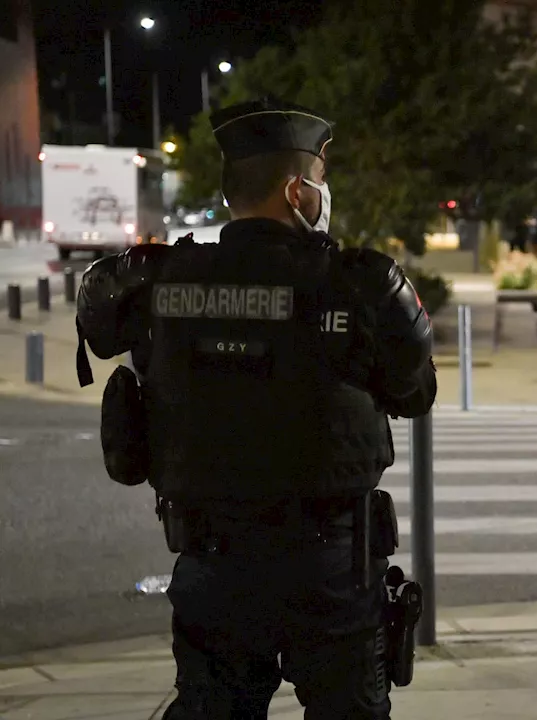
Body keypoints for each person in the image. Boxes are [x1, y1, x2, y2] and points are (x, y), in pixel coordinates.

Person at [76, 97, 437, 719]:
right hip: (330, 567)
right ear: (298, 191)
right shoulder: (358, 284)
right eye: (320, 182)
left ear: (228, 195)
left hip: (211, 564)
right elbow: (416, 391)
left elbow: (100, 326)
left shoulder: (157, 280)